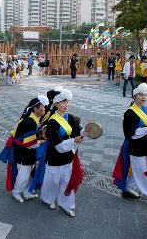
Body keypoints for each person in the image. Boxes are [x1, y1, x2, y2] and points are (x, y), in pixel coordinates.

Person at [40, 88, 85, 217]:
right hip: (55, 156)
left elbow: (77, 133)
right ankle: (48, 199)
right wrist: (74, 141)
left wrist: (85, 132)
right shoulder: (52, 122)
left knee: (66, 180)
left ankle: (66, 204)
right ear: (56, 104)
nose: (66, 105)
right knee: (53, 180)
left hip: (68, 156)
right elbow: (58, 146)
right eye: (63, 102)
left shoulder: (70, 117)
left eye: (67, 102)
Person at [113, 83, 147, 201]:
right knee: (143, 172)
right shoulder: (129, 113)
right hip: (135, 147)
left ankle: (127, 188)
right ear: (134, 96)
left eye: (145, 95)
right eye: (140, 95)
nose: (143, 97)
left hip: (146, 146)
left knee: (139, 170)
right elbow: (131, 133)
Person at [6, 95, 49, 203]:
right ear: (35, 108)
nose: (45, 109)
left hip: (25, 151)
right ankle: (16, 192)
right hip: (23, 152)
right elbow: (29, 143)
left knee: (29, 172)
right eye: (43, 107)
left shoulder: (33, 118)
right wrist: (40, 142)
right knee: (24, 174)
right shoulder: (30, 121)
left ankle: (26, 192)